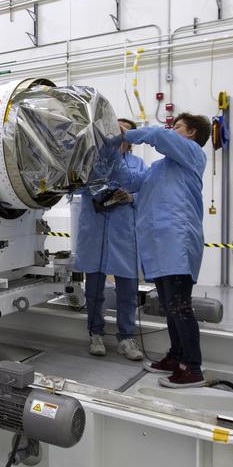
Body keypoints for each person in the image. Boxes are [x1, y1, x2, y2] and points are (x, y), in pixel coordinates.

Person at [121, 112, 210, 387]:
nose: (173, 129)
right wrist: (115, 151)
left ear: (192, 133)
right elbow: (133, 182)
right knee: (170, 308)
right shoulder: (161, 167)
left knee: (180, 307)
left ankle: (192, 368)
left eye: (178, 126)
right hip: (159, 245)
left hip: (176, 241)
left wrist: (124, 133)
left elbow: (160, 135)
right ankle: (175, 356)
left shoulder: (192, 153)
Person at [71, 118, 145, 359]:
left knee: (127, 290)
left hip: (124, 233)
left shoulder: (138, 165)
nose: (118, 134)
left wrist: (130, 197)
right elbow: (76, 188)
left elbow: (146, 193)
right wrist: (98, 191)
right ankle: (95, 333)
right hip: (95, 230)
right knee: (94, 290)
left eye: (123, 131)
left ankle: (127, 338)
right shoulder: (93, 162)